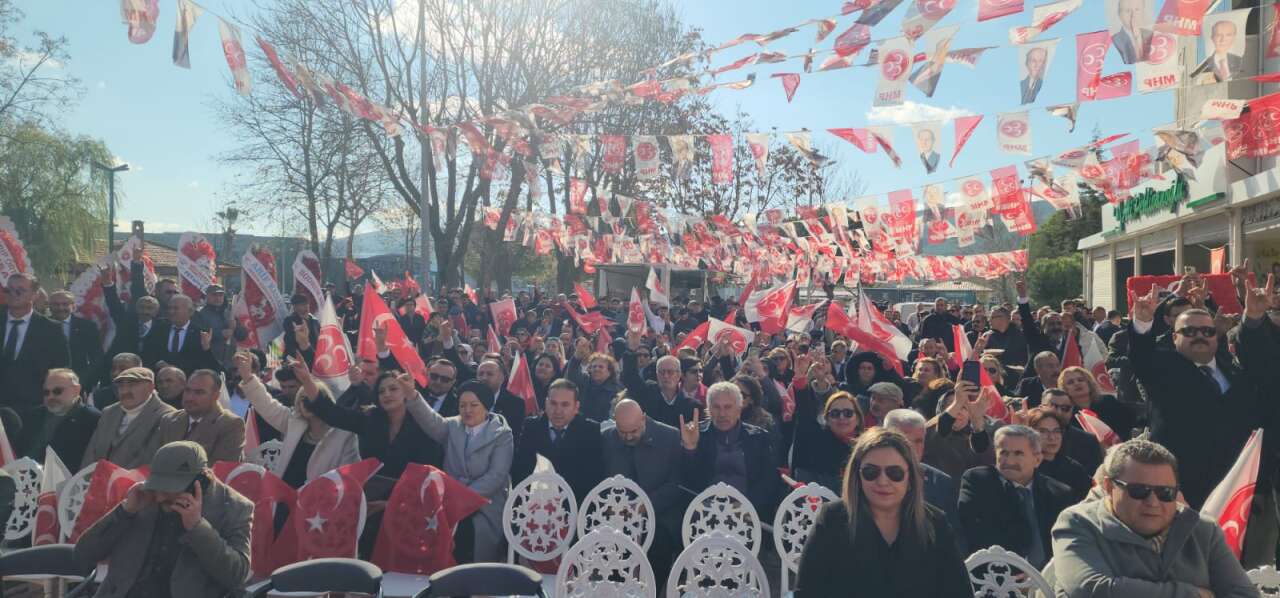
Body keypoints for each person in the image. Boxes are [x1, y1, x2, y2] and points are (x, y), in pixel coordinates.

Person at [1129, 279, 1280, 565]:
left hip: (1244, 497)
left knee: (1248, 576)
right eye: (1189, 331)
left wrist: (1256, 318)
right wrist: (1142, 322)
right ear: (1174, 338)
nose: (1200, 335)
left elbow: (1266, 363)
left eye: (1207, 331)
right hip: (1187, 498)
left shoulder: (1233, 370)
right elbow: (1142, 356)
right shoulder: (1164, 371)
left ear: (1216, 336)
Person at [1049, 439, 1257, 597]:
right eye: (1139, 490)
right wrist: (1191, 594)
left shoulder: (1203, 530)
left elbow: (1244, 594)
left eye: (1165, 493)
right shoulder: (1077, 523)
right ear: (1110, 487)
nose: (1153, 502)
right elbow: (1089, 589)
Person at [794, 428, 971, 597]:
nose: (883, 481)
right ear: (857, 476)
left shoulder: (935, 523)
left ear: (910, 478)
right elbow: (806, 592)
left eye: (895, 473)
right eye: (871, 472)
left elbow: (959, 592)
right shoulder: (832, 519)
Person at [74, 441, 253, 598]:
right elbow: (83, 555)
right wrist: (125, 511)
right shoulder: (144, 498)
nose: (159, 498)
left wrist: (198, 528)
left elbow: (236, 576)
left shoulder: (234, 508)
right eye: (157, 487)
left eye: (169, 490)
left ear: (200, 482)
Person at [405, 379, 514, 563]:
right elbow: (431, 421)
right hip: (449, 500)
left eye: (474, 405)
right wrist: (413, 395)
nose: (467, 410)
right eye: (462, 405)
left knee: (471, 535)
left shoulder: (502, 434)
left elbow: (496, 476)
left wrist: (464, 498)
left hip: (486, 502)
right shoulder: (453, 426)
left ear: (486, 406)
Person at [234, 352, 360, 487]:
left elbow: (349, 479)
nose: (305, 403)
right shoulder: (294, 422)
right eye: (301, 399)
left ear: (323, 401)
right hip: (284, 496)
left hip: (320, 502)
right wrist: (247, 377)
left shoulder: (344, 436)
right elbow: (267, 405)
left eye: (310, 399)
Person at [959, 425, 1074, 568]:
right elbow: (976, 532)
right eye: (1004, 453)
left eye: (1018, 453)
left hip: (1048, 578)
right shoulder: (979, 482)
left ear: (1037, 459)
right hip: (997, 575)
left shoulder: (1059, 493)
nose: (1009, 461)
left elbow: (1066, 542)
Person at [304, 366, 444, 476]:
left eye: (393, 389)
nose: (386, 394)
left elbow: (428, 472)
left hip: (406, 501)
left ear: (406, 392)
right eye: (381, 391)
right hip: (369, 497)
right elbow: (333, 414)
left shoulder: (422, 425)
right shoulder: (370, 419)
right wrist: (306, 379)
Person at [601, 399, 685, 575]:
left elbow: (676, 484)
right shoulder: (606, 438)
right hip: (617, 515)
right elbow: (601, 479)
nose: (629, 437)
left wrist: (643, 506)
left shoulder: (670, 437)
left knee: (658, 544)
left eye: (634, 431)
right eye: (622, 432)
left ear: (643, 419)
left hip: (659, 514)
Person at [678, 381, 780, 518]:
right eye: (716, 407)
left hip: (749, 514)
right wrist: (690, 449)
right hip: (705, 513)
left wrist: (747, 506)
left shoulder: (759, 438)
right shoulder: (695, 434)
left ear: (739, 408)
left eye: (728, 407)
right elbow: (688, 483)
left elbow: (769, 481)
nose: (722, 414)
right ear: (708, 409)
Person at [510, 379, 603, 501]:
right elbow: (520, 470)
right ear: (546, 403)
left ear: (576, 407)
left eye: (565, 405)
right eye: (553, 403)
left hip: (575, 505)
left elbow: (593, 477)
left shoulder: (590, 430)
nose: (558, 411)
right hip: (535, 504)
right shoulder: (531, 426)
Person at [82, 366, 177, 470]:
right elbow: (91, 453)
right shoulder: (109, 412)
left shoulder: (166, 416)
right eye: (121, 386)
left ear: (150, 387)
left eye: (132, 385)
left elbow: (150, 459)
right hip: (98, 480)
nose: (125, 391)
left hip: (135, 483)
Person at [0, 273, 71, 410]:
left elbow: (61, 369)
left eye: (20, 290)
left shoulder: (51, 329)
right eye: (9, 290)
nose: (14, 294)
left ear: (35, 294)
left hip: (32, 407)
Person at [156, 370, 245, 463]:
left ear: (216, 396)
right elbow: (155, 460)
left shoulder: (230, 424)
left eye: (199, 392)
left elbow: (220, 469)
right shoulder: (169, 420)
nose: (190, 397)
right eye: (187, 390)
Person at [20, 368, 101, 466]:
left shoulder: (93, 419)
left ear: (76, 390)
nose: (51, 397)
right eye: (46, 392)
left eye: (57, 391)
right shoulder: (34, 416)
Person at [790, 385, 861, 493]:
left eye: (848, 413)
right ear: (827, 419)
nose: (841, 418)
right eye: (835, 414)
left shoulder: (867, 448)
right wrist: (801, 381)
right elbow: (805, 417)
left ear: (858, 419)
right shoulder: (816, 444)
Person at [623, 331, 697, 428]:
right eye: (662, 372)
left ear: (679, 375)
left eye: (670, 372)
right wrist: (631, 350)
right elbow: (630, 377)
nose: (666, 376)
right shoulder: (647, 392)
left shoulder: (691, 405)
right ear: (657, 374)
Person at [142, 295, 220, 376]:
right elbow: (147, 354)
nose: (171, 311)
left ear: (190, 311)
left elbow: (209, 365)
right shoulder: (158, 328)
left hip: (188, 382)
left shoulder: (201, 334)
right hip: (161, 380)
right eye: (169, 308)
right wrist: (158, 363)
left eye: (176, 308)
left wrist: (206, 348)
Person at [1025, 406, 1091, 501]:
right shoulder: (1027, 469)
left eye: (1056, 431)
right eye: (1043, 431)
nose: (1052, 437)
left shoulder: (1074, 468)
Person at [47, 290, 103, 393]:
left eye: (65, 304)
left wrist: (84, 382)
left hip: (79, 384)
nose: (60, 308)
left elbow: (97, 357)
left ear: (73, 306)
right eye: (56, 304)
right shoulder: (42, 327)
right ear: (49, 306)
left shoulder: (87, 327)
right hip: (48, 385)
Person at [1059, 365, 1135, 441]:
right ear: (1064, 389)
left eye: (1080, 380)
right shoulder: (1066, 414)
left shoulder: (1109, 402)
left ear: (1089, 383)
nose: (1077, 383)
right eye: (1070, 382)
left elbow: (1126, 427)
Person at [566, 348, 625, 422]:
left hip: (604, 428)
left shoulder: (617, 389)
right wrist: (576, 358)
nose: (596, 369)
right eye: (594, 366)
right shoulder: (584, 381)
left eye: (601, 367)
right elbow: (572, 375)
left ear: (609, 371)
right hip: (582, 425)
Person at [1192, 18, 1244, 84]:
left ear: (1234, 38)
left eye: (1228, 35)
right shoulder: (1204, 64)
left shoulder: (1238, 61)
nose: (1223, 39)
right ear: (1212, 38)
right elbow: (1193, 80)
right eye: (1219, 35)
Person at [192, 284, 233, 367]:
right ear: (207, 296)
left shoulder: (229, 312)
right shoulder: (199, 313)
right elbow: (198, 333)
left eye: (220, 295)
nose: (218, 298)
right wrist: (221, 334)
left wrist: (236, 326)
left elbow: (242, 334)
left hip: (229, 359)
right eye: (214, 295)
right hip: (209, 357)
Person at [282, 294, 320, 362]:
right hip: (296, 359)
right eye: (302, 304)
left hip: (314, 358)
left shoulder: (315, 321)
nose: (306, 306)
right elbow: (291, 342)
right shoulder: (289, 321)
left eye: (306, 303)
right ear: (295, 307)